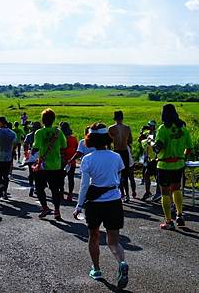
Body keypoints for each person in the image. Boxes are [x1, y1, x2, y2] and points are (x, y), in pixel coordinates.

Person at [73, 123, 129, 289]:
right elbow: (117, 178)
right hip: (114, 202)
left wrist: (79, 205)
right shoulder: (116, 157)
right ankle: (122, 262)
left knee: (94, 236)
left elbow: (84, 186)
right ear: (107, 139)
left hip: (95, 204)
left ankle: (96, 270)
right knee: (113, 241)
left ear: (90, 140)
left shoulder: (87, 159)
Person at [153, 104, 193, 230]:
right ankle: (180, 215)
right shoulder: (183, 128)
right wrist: (183, 158)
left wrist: (152, 144)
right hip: (179, 164)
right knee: (176, 189)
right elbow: (190, 148)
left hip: (164, 164)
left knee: (165, 192)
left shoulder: (163, 129)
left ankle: (168, 221)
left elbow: (158, 147)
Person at [32, 108, 67, 219]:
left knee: (39, 188)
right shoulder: (58, 132)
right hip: (56, 165)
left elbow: (36, 148)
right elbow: (64, 146)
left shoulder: (39, 132)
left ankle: (45, 208)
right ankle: (57, 211)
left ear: (42, 120)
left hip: (42, 165)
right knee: (55, 189)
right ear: (53, 119)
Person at [108, 111, 135, 202]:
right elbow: (130, 141)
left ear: (114, 118)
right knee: (125, 174)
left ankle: (122, 194)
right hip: (125, 152)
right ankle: (127, 194)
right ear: (122, 118)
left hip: (116, 152)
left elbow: (108, 143)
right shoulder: (127, 128)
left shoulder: (111, 128)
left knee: (118, 174)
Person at [0, 116, 17, 199]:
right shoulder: (12, 133)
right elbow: (15, 144)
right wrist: (12, 151)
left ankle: (1, 185)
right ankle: (5, 193)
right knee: (6, 176)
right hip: (8, 157)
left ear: (0, 122)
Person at [139, 120, 161, 201]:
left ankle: (158, 193)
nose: (149, 126)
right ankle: (148, 192)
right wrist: (141, 131)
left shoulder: (156, 133)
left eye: (150, 125)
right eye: (148, 125)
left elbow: (155, 144)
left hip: (155, 158)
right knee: (146, 175)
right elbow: (141, 140)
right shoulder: (147, 133)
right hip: (149, 157)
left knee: (156, 176)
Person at [60, 122, 79, 202]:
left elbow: (59, 150)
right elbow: (77, 149)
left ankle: (61, 193)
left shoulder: (61, 138)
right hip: (71, 161)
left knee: (61, 178)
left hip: (62, 161)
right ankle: (70, 194)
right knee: (71, 178)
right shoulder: (74, 139)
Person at [23, 121, 42, 197]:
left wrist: (26, 153)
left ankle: (31, 186)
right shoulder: (41, 135)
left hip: (31, 154)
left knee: (31, 172)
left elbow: (25, 144)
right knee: (39, 173)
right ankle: (37, 188)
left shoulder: (29, 135)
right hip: (40, 154)